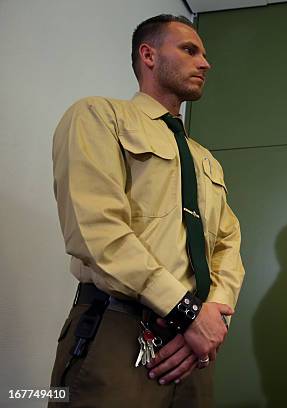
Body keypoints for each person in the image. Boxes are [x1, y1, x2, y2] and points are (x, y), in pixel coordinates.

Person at [48, 14, 245, 407]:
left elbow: (228, 245)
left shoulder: (205, 159)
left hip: (192, 351)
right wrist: (188, 314)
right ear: (148, 55)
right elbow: (97, 231)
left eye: (204, 54)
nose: (205, 63)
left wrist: (211, 320)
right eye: (190, 50)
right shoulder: (98, 116)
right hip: (117, 330)